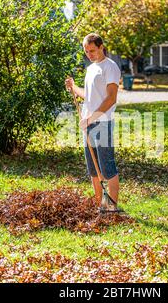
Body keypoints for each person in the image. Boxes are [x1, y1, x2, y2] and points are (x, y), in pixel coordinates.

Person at [65, 33, 121, 212]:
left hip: (102, 122)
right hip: (87, 123)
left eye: (92, 50)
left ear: (101, 46)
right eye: (86, 51)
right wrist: (74, 87)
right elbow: (89, 96)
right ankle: (99, 206)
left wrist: (91, 118)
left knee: (107, 167)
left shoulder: (110, 67)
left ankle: (112, 207)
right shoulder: (91, 69)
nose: (89, 54)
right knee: (93, 169)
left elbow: (111, 98)